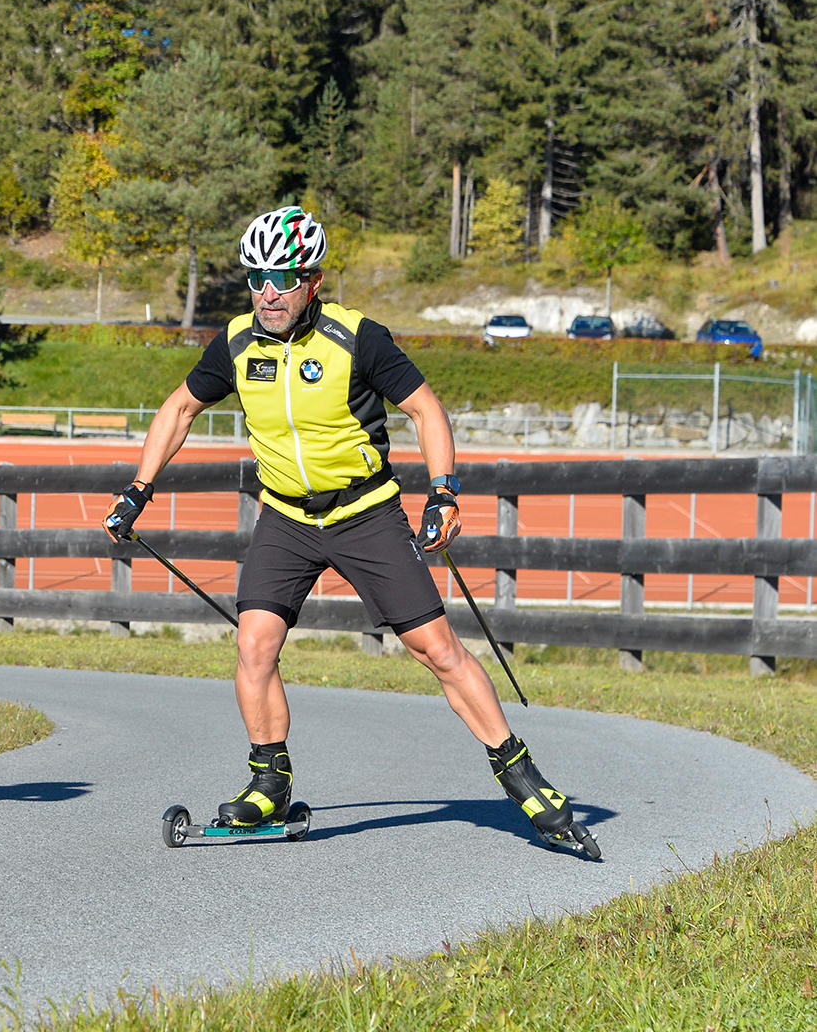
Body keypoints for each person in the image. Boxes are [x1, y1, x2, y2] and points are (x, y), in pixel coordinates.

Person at [104, 205, 589, 846]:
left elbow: (426, 409)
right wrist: (139, 489)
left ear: (315, 279)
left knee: (436, 649)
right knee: (253, 646)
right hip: (285, 518)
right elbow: (179, 408)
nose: (268, 292)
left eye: (283, 275)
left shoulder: (358, 337)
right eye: (256, 277)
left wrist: (443, 492)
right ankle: (267, 783)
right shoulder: (236, 342)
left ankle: (521, 776)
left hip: (366, 514)